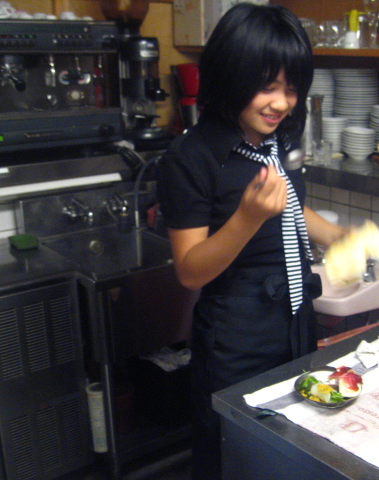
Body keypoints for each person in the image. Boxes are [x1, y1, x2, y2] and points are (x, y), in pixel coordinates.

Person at [156, 3, 347, 478]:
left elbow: (288, 205)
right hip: (237, 341)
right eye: (267, 87)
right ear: (231, 76)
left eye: (291, 88)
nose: (281, 103)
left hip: (297, 322)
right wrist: (246, 217)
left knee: (290, 450)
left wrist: (335, 236)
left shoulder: (279, 139)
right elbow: (190, 270)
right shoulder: (191, 157)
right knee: (235, 458)